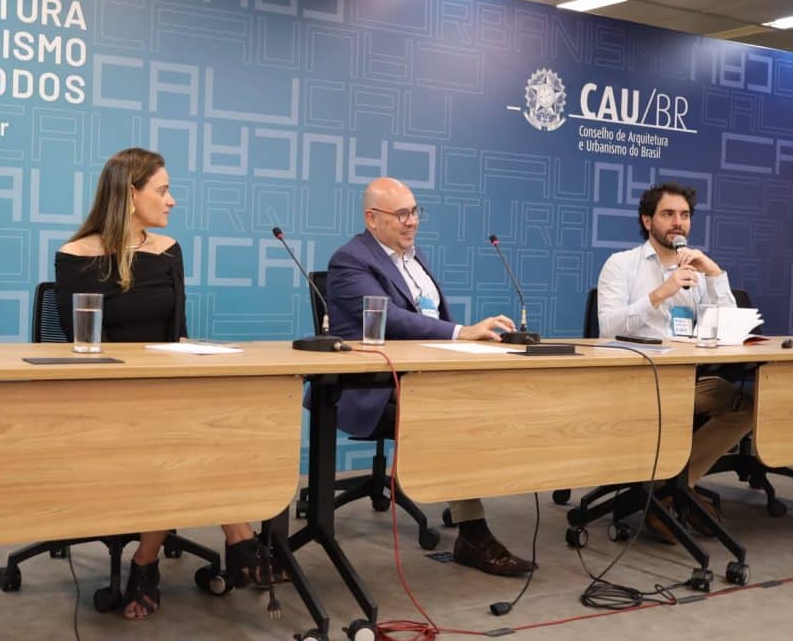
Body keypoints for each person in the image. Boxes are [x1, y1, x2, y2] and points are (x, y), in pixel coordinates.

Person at [54, 148, 273, 620]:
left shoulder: (167, 249)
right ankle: (233, 540)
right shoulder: (75, 256)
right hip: (108, 395)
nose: (171, 201)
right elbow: (78, 342)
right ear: (130, 195)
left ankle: (156, 558)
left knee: (211, 424)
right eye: (162, 190)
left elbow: (178, 329)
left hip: (168, 390)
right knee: (177, 434)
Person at [327, 176, 536, 577]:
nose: (412, 222)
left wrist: (477, 342)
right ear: (372, 219)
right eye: (401, 214)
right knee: (455, 416)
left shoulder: (413, 256)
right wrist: (462, 332)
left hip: (425, 376)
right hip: (370, 387)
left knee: (487, 402)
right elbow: (392, 319)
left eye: (415, 211)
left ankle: (467, 514)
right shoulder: (350, 260)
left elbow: (429, 317)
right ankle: (473, 534)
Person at [597, 181, 752, 540]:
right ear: (647, 220)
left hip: (691, 379)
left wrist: (713, 273)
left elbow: (729, 327)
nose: (677, 222)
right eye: (668, 214)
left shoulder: (695, 269)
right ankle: (674, 493)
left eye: (684, 215)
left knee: (748, 406)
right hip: (635, 379)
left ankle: (671, 488)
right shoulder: (621, 265)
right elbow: (607, 326)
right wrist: (662, 292)